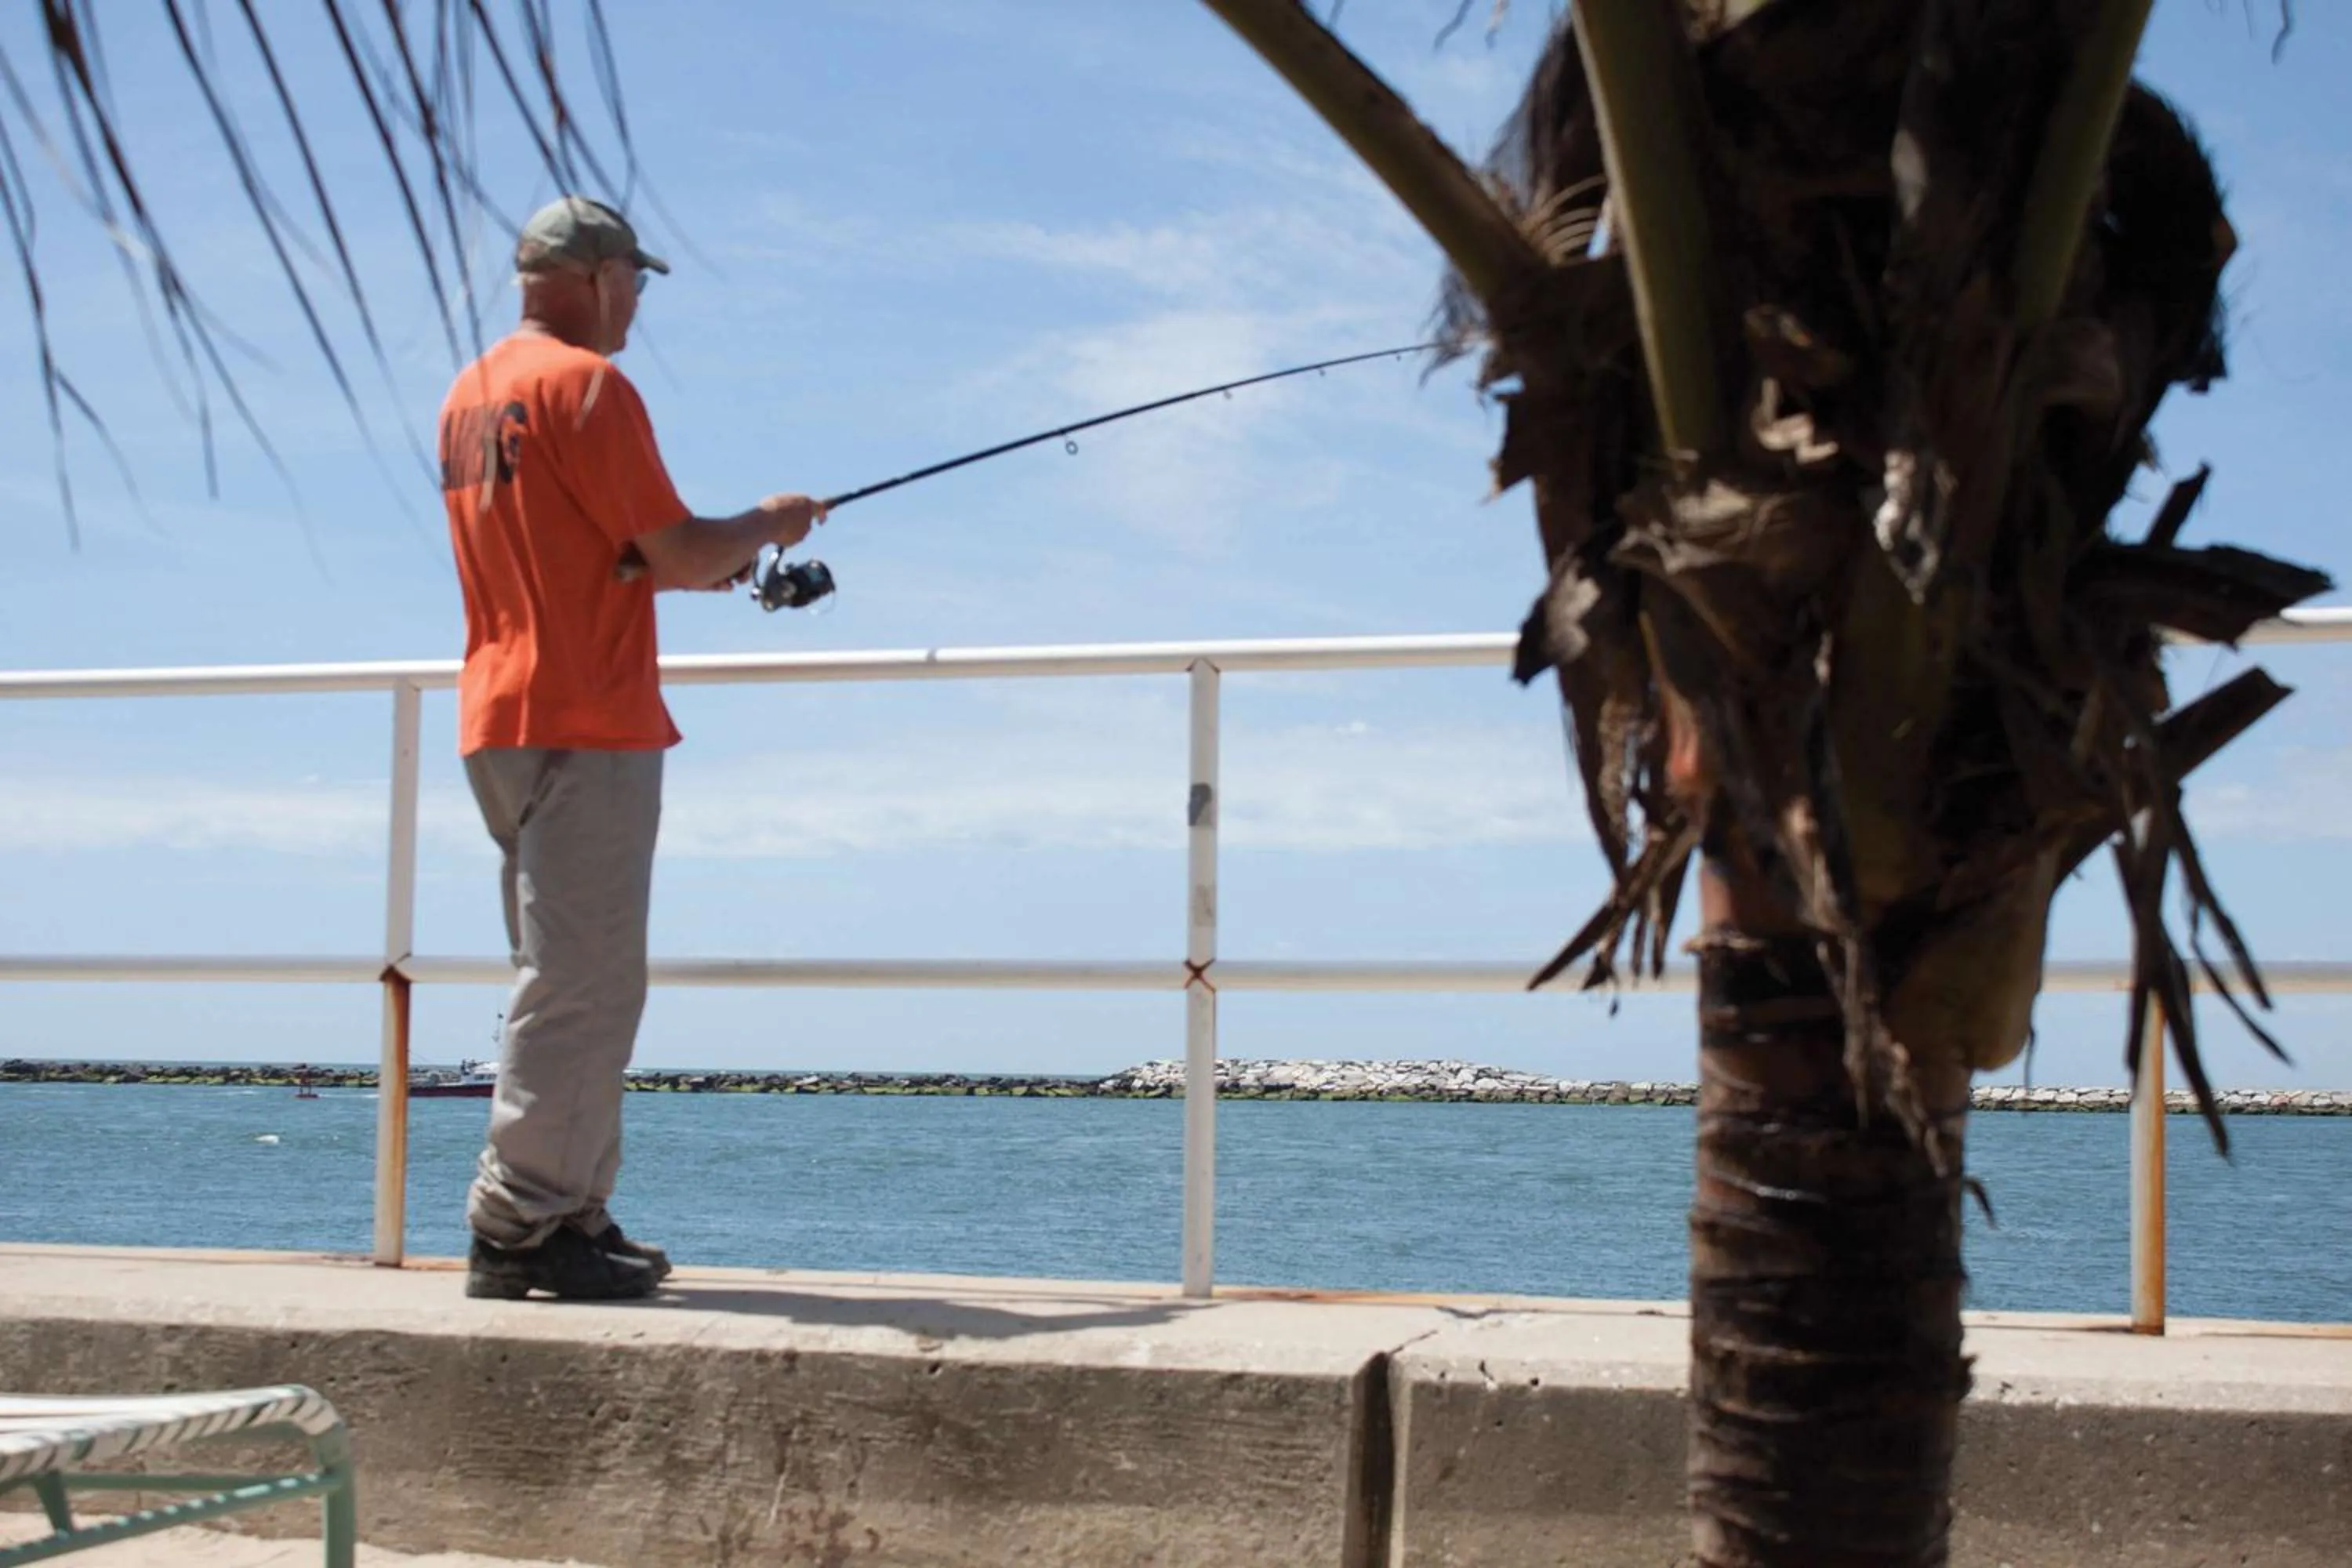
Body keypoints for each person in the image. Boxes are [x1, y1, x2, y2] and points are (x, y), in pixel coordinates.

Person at [437, 194, 824, 1300]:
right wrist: (770, 520)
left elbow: (600, 553)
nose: (640, 307)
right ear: (601, 276)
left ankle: (570, 1210)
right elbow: (682, 550)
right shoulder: (589, 386)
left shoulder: (472, 397)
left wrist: (677, 562)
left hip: (500, 712)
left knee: (563, 976)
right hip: (585, 716)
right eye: (640, 285)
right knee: (584, 986)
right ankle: (520, 1228)